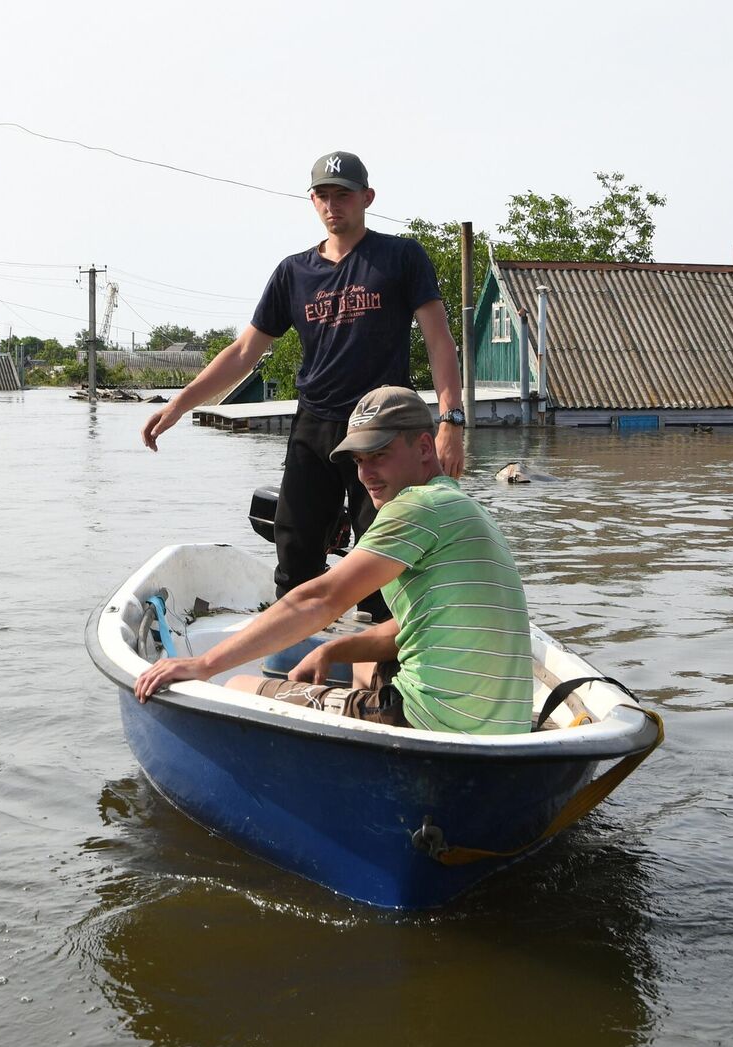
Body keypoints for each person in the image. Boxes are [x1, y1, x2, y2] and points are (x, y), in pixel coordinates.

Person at [141, 151, 466, 615]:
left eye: (344, 195)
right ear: (313, 201)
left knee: (384, 561)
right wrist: (178, 406)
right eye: (323, 196)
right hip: (314, 426)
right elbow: (242, 352)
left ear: (366, 198)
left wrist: (450, 423)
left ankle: (385, 676)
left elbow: (439, 340)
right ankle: (293, 663)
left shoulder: (400, 256)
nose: (334, 205)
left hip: (382, 428)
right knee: (295, 556)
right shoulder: (294, 272)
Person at [134, 386, 534, 736]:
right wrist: (331, 651)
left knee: (237, 685)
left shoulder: (415, 506)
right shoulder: (464, 508)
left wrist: (203, 665)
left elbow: (320, 599)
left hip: (430, 722)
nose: (366, 474)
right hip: (502, 728)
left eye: (379, 454)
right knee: (360, 663)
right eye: (358, 461)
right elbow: (415, 624)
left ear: (425, 448)